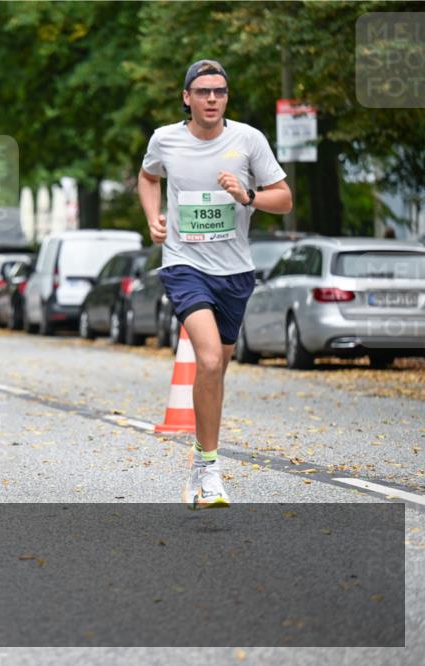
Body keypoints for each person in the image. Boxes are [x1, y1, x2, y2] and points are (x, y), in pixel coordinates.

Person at [138, 59, 292, 510]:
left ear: (226, 97)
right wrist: (153, 219)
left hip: (235, 272)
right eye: (203, 91)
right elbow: (148, 178)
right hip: (184, 265)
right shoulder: (165, 139)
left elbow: (283, 199)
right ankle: (209, 469)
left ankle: (197, 461)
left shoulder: (248, 140)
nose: (211, 99)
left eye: (219, 92)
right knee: (206, 360)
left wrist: (246, 196)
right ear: (186, 97)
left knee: (217, 369)